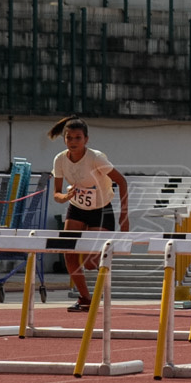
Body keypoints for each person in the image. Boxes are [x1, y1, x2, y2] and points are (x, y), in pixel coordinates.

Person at [48, 115, 130, 313]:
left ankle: (100, 253)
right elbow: (56, 194)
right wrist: (64, 197)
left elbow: (122, 181)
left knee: (92, 263)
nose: (73, 142)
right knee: (69, 253)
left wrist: (124, 215)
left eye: (78, 138)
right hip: (76, 207)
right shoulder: (60, 160)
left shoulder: (95, 158)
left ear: (86, 139)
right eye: (69, 138)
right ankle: (85, 297)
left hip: (101, 209)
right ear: (64, 139)